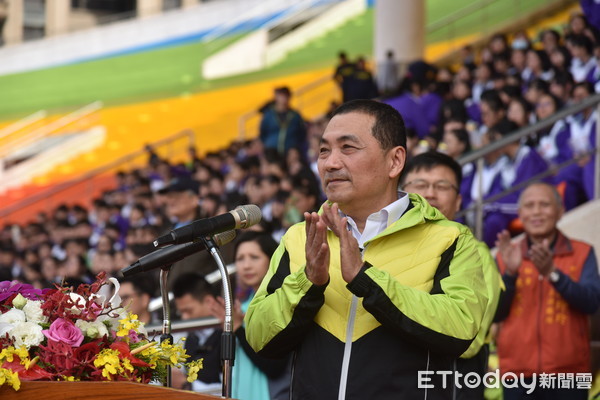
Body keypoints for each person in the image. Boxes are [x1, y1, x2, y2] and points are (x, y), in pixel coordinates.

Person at [245, 100, 488, 399]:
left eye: (348, 148)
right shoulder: (299, 237)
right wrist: (309, 282)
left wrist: (365, 279)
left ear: (395, 161)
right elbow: (258, 336)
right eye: (324, 150)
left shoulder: (449, 238)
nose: (330, 163)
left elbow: (461, 329)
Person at [400, 151, 503, 399]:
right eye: (420, 185)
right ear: (399, 194)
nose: (430, 193)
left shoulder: (475, 254)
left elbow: (469, 339)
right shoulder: (383, 247)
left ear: (458, 201)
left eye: (441, 186)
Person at [494, 182, 600, 400]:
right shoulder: (506, 257)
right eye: (530, 206)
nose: (536, 212)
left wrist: (554, 273)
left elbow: (591, 303)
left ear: (560, 211)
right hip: (516, 374)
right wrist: (511, 275)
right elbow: (495, 314)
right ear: (520, 213)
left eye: (544, 205)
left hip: (569, 374)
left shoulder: (582, 252)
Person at [211, 231, 291, 400]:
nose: (246, 265)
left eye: (254, 257)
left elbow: (274, 367)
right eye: (240, 259)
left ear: (273, 259)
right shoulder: (242, 307)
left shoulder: (282, 303)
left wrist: (239, 328)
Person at [171, 272, 222, 394]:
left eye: (188, 311)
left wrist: (185, 385)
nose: (184, 317)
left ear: (209, 302)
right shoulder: (190, 338)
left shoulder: (229, 334)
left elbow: (232, 386)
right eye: (181, 312)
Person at [259, 86, 307, 158]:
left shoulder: (294, 115)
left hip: (290, 151)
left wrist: (295, 146)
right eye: (281, 96)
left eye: (286, 96)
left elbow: (302, 133)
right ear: (276, 97)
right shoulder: (269, 115)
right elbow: (263, 132)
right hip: (272, 151)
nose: (284, 99)